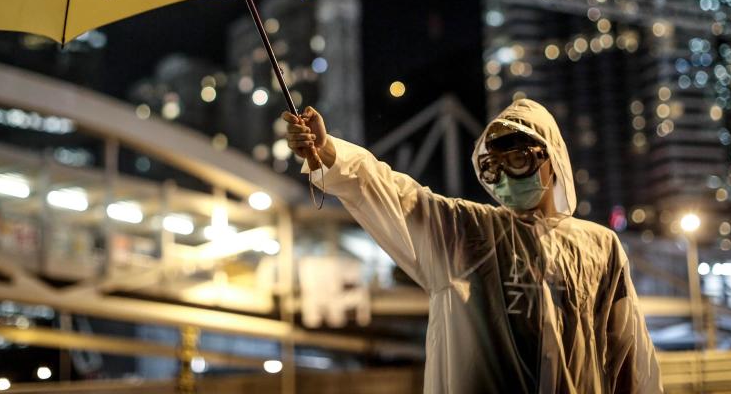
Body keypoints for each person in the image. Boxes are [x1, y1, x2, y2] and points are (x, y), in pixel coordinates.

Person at [282, 98, 663, 394]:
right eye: (493, 167)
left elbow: (629, 353)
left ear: (551, 158)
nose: (505, 178)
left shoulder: (599, 246)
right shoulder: (466, 233)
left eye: (517, 159)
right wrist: (327, 151)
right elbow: (387, 190)